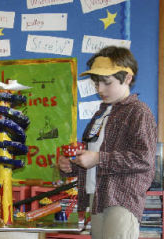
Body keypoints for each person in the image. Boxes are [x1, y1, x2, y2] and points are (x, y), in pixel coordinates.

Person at [58, 46, 157, 239]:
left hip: (121, 200)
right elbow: (92, 160)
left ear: (127, 78)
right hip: (97, 198)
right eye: (96, 83)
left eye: (106, 82)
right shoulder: (100, 114)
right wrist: (71, 165)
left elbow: (144, 159)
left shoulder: (138, 112)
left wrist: (97, 158)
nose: (99, 89)